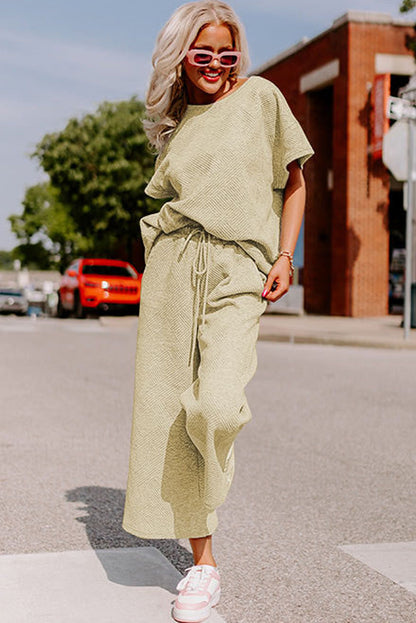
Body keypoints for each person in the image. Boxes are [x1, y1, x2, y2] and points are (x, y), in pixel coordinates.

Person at [122, 1, 314, 621]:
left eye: (225, 54)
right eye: (200, 54)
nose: (213, 65)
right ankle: (203, 564)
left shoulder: (261, 98)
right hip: (175, 271)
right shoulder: (177, 129)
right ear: (181, 58)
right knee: (168, 418)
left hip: (240, 270)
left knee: (214, 406)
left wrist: (285, 256)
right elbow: (168, 201)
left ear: (239, 57)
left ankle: (210, 482)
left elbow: (295, 181)